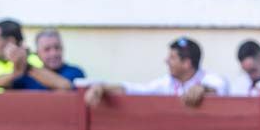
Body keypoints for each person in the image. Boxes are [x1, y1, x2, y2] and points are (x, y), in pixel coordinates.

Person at [84, 36, 228, 108]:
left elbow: (220, 87)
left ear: (187, 63)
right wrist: (102, 87)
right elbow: (135, 89)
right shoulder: (166, 83)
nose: (166, 61)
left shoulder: (211, 79)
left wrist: (203, 89)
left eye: (172, 58)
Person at [0, 19, 73, 94]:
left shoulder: (35, 60)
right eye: (47, 49)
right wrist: (16, 71)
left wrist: (23, 64)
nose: (53, 54)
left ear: (10, 41)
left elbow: (63, 84)